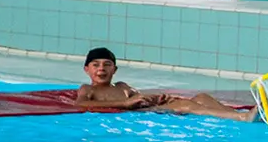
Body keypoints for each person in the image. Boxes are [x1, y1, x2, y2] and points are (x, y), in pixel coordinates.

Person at [75, 47, 258, 121]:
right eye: (96, 65)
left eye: (107, 65)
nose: (101, 69)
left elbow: (140, 97)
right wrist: (124, 104)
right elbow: (81, 103)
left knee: (202, 97)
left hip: (150, 108)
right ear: (86, 69)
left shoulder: (122, 86)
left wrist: (157, 98)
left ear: (115, 70)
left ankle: (240, 114)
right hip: (140, 115)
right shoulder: (88, 89)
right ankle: (242, 118)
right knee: (187, 105)